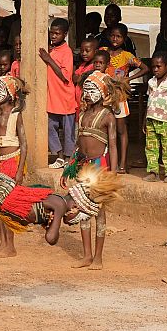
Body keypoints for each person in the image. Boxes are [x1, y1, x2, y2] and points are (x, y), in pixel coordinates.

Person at [62, 71, 126, 269]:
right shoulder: (81, 115)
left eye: (92, 90)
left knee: (98, 212)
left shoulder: (107, 116)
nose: (87, 94)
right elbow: (77, 145)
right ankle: (87, 255)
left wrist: (113, 173)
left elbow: (113, 145)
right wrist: (69, 166)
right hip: (83, 167)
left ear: (103, 92)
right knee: (83, 210)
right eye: (86, 90)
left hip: (100, 167)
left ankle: (98, 257)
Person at [0, 75, 28, 257]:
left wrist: (20, 170)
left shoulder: (16, 115)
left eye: (0, 90)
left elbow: (24, 144)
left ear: (10, 94)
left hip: (13, 161)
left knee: (7, 205)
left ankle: (10, 246)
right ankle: (3, 243)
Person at [107, 23, 149, 174]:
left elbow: (145, 68)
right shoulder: (103, 52)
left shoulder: (127, 56)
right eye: (112, 35)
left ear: (124, 39)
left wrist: (129, 78)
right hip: (104, 96)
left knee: (120, 130)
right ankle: (107, 164)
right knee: (105, 130)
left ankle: (122, 164)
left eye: (118, 36)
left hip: (119, 97)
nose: (115, 39)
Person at [41, 18, 75, 169]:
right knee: (50, 127)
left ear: (65, 34)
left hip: (65, 97)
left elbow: (65, 76)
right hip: (53, 98)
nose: (53, 36)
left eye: (57, 33)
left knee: (68, 131)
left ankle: (69, 158)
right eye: (51, 33)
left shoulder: (66, 52)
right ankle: (59, 155)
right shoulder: (52, 49)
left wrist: (48, 59)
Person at [143, 51, 167, 183]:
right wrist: (145, 119)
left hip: (166, 120)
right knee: (151, 147)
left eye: (159, 66)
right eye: (153, 66)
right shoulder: (151, 82)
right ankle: (153, 172)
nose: (155, 69)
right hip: (151, 119)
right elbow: (149, 101)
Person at [73, 37, 99, 115]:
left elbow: (78, 79)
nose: (84, 53)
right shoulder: (82, 65)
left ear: (96, 52)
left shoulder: (94, 67)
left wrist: (78, 77)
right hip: (78, 105)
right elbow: (74, 79)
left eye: (87, 51)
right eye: (82, 51)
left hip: (87, 106)